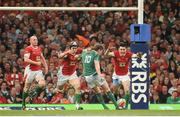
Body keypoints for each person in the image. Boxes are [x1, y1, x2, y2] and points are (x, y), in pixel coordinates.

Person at [81, 44, 119, 110]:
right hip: (95, 75)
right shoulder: (96, 54)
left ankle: (104, 107)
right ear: (99, 50)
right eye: (101, 51)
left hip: (87, 77)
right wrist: (99, 73)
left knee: (97, 92)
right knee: (107, 89)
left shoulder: (85, 52)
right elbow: (97, 65)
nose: (101, 53)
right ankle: (117, 106)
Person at [105, 42, 141, 109]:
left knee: (127, 91)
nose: (122, 51)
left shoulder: (128, 54)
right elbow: (106, 55)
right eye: (121, 49)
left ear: (126, 49)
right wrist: (108, 49)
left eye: (124, 49)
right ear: (119, 50)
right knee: (115, 91)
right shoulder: (116, 53)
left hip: (125, 75)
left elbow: (137, 56)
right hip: (116, 75)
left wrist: (139, 54)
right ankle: (116, 105)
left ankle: (126, 106)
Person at [22, 35, 48, 110]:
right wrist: (36, 63)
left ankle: (31, 96)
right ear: (30, 41)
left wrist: (46, 66)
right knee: (26, 87)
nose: (35, 41)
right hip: (29, 70)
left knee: (42, 84)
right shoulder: (28, 48)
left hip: (38, 70)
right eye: (33, 40)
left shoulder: (39, 48)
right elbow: (26, 59)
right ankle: (23, 104)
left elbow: (42, 58)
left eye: (36, 39)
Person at [56, 41, 83, 110]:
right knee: (59, 88)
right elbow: (60, 56)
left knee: (78, 87)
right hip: (63, 74)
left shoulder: (79, 51)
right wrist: (67, 52)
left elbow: (85, 51)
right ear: (70, 48)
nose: (75, 49)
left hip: (72, 73)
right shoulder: (67, 54)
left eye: (75, 48)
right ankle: (58, 98)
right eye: (73, 48)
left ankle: (77, 105)